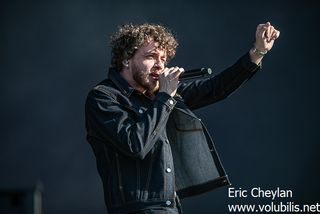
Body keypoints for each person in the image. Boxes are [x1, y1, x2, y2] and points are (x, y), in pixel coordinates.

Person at [85, 22, 280, 214]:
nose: (160, 65)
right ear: (126, 59)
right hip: (138, 209)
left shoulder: (158, 96)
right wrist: (165, 97)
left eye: (163, 58)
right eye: (151, 57)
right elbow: (135, 144)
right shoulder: (104, 97)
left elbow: (215, 88)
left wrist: (257, 53)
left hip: (170, 207)